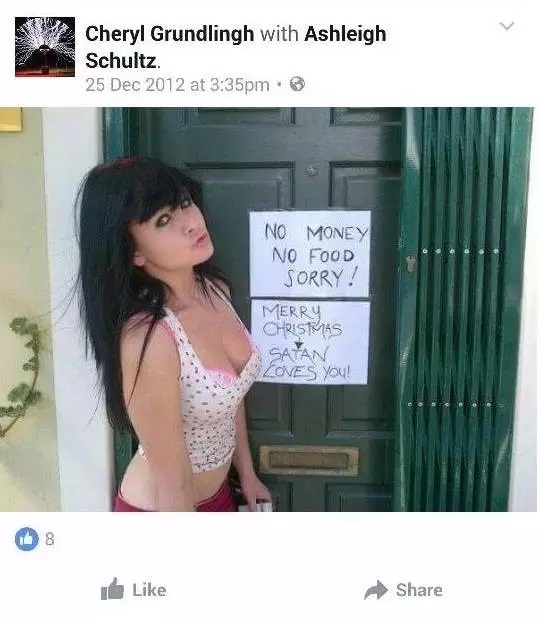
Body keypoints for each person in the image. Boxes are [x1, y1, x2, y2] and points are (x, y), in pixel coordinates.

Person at [76, 156, 271, 511]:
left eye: (184, 203)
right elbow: (173, 486)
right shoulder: (150, 339)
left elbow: (232, 396)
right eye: (163, 220)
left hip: (219, 497)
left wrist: (246, 472)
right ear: (134, 251)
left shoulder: (215, 290)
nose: (192, 222)